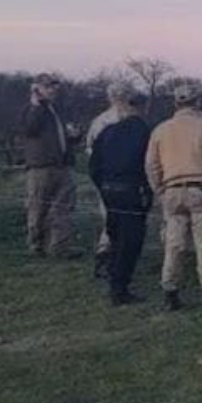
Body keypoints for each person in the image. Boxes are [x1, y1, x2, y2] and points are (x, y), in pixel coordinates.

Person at [146, 81, 202, 310]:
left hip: (172, 190)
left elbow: (151, 164)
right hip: (201, 189)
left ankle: (170, 291)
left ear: (175, 103)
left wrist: (159, 189)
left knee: (173, 243)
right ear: (198, 102)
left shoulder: (160, 130)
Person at [88, 88, 152, 306]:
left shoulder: (107, 131)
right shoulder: (146, 132)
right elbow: (151, 165)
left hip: (109, 190)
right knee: (130, 241)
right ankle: (120, 289)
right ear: (142, 108)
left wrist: (103, 187)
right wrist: (150, 191)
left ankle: (113, 278)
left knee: (114, 236)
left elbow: (94, 166)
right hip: (132, 191)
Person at [18, 75, 79, 257]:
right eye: (47, 87)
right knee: (38, 208)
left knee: (64, 208)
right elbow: (30, 129)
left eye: (54, 87)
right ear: (36, 89)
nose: (52, 90)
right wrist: (36, 105)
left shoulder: (57, 111)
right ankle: (36, 245)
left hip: (62, 166)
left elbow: (63, 137)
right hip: (41, 167)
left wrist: (74, 135)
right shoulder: (30, 110)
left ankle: (60, 246)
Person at [84, 81, 137, 278]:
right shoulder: (129, 120)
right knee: (120, 220)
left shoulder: (98, 121)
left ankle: (106, 256)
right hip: (124, 179)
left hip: (104, 178)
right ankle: (108, 258)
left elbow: (90, 150)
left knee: (110, 217)